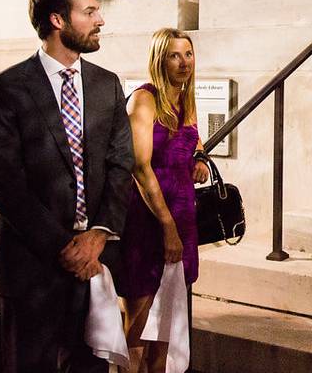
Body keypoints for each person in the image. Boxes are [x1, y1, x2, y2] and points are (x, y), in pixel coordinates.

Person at [0, 0, 135, 373]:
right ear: (58, 20)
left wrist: (98, 235)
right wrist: (64, 247)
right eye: (90, 12)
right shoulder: (5, 89)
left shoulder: (107, 85)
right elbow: (2, 181)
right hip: (31, 269)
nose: (100, 20)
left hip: (95, 265)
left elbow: (120, 165)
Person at [119, 28, 209, 372]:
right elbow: (139, 166)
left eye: (188, 54)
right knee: (138, 329)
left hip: (183, 215)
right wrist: (167, 226)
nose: (183, 62)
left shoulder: (185, 99)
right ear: (160, 59)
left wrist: (199, 158)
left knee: (167, 327)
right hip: (149, 219)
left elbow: (192, 140)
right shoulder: (145, 99)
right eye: (174, 55)